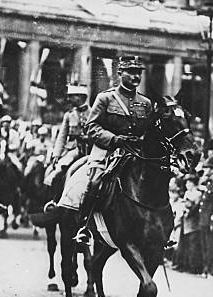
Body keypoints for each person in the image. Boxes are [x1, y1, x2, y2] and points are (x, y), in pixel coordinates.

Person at [74, 56, 152, 245]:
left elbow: (149, 131)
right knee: (95, 182)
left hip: (135, 153)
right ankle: (84, 227)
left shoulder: (145, 103)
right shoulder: (105, 98)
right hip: (107, 151)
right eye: (131, 72)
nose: (135, 76)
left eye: (138, 73)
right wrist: (114, 139)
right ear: (119, 73)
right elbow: (91, 127)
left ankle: (158, 229)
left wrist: (143, 141)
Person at [48, 83, 91, 171]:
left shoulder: (93, 113)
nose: (68, 99)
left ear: (80, 97)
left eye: (71, 96)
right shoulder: (69, 115)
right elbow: (62, 136)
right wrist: (56, 154)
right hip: (73, 150)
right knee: (56, 172)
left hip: (91, 151)